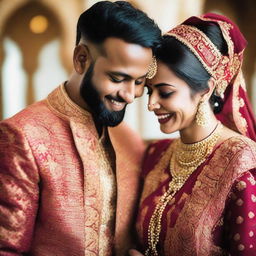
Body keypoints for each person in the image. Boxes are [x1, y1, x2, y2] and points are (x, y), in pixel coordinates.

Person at [0, 1, 161, 255]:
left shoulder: (129, 140)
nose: (130, 95)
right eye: (117, 78)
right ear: (81, 59)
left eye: (139, 82)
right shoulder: (23, 135)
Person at [129, 13, 256, 256]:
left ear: (206, 90)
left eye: (165, 93)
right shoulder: (156, 154)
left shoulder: (241, 164)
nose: (151, 104)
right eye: (149, 92)